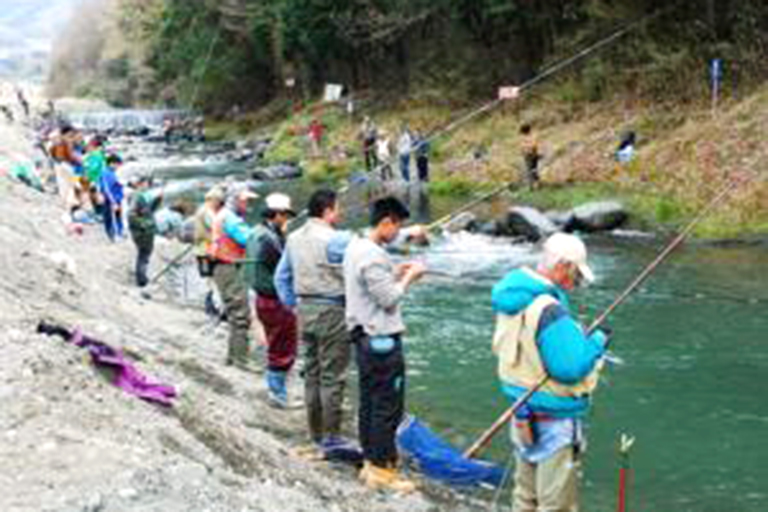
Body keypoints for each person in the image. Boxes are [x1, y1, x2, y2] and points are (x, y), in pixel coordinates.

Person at [490, 233, 610, 512]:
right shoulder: (549, 308)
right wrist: (597, 341)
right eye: (575, 273)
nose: (575, 282)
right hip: (553, 420)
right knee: (555, 504)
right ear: (562, 266)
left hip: (521, 413)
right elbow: (568, 369)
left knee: (525, 497)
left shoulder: (513, 298)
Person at [344, 196, 427, 492]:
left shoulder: (356, 246)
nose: (399, 232)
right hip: (381, 342)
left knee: (369, 402)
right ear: (386, 222)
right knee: (387, 406)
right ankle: (381, 471)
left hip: (363, 338)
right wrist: (410, 279)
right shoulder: (373, 254)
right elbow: (389, 300)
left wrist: (394, 273)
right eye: (398, 225)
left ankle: (371, 462)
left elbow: (370, 285)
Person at [275, 189, 353, 455]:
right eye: (337, 209)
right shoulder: (336, 239)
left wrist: (294, 305)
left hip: (304, 311)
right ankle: (331, 437)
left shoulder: (293, 237)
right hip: (332, 311)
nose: (339, 213)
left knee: (312, 374)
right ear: (328, 211)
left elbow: (280, 278)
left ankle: (315, 434)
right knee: (332, 376)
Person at [245, 193, 298, 407]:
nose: (286, 220)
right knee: (283, 347)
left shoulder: (257, 232)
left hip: (262, 298)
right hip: (275, 300)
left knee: (275, 343)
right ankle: (278, 394)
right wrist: (285, 238)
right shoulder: (269, 239)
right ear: (276, 215)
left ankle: (277, 390)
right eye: (284, 216)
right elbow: (285, 266)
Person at [211, 187, 259, 368]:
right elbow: (248, 239)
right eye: (245, 201)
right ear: (236, 200)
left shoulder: (225, 215)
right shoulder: (230, 218)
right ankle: (241, 360)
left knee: (233, 313)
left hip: (224, 268)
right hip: (229, 268)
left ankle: (233, 357)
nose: (247, 204)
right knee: (240, 315)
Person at [194, 186, 226, 316]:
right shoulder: (207, 212)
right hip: (206, 250)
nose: (220, 204)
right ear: (213, 200)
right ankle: (214, 308)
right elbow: (216, 230)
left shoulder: (201, 210)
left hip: (202, 249)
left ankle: (212, 307)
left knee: (210, 280)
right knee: (213, 280)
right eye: (219, 201)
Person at [128, 176, 163, 287]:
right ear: (140, 184)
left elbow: (148, 210)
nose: (147, 186)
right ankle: (142, 280)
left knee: (143, 254)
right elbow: (131, 215)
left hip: (145, 230)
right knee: (144, 254)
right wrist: (145, 225)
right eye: (145, 184)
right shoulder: (136, 196)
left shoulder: (143, 196)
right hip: (142, 231)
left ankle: (142, 277)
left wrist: (157, 201)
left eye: (148, 184)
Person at [99, 154, 126, 241]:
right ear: (112, 163)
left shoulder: (112, 173)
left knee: (118, 216)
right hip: (110, 200)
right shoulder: (105, 173)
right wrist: (113, 202)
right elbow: (107, 189)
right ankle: (113, 235)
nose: (118, 167)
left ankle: (120, 232)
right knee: (110, 218)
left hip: (117, 198)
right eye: (117, 165)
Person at [520, 124, 541, 191]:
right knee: (530, 170)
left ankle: (533, 186)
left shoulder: (532, 137)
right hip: (527, 155)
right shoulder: (524, 137)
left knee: (532, 170)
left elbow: (533, 146)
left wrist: (527, 147)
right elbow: (522, 146)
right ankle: (532, 186)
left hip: (532, 155)